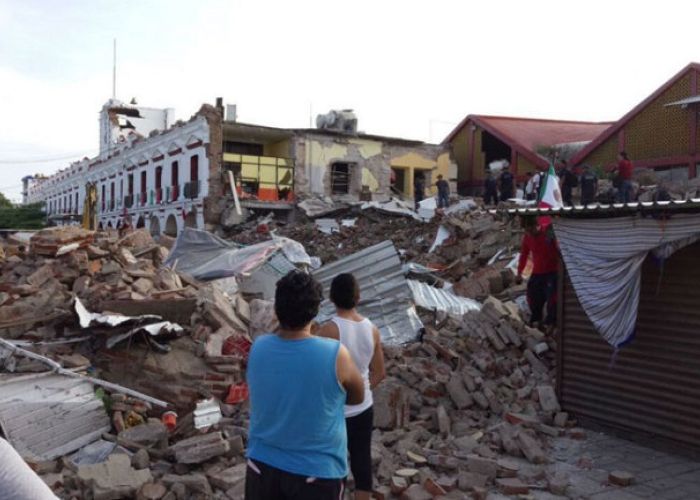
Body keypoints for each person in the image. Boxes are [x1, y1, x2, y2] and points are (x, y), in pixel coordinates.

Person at [245, 270, 365, 500]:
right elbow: (357, 396)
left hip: (262, 467)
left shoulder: (259, 347)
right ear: (316, 310)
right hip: (316, 474)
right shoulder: (334, 354)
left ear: (277, 309)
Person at [317, 274, 386, 500]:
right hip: (363, 407)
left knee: (332, 463)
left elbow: (316, 372)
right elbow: (380, 372)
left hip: (335, 410)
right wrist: (364, 390)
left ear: (332, 298)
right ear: (358, 297)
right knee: (361, 459)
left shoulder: (329, 331)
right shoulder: (372, 329)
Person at [516, 217, 558, 330]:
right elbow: (523, 255)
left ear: (537, 225)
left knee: (552, 299)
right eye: (527, 231)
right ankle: (536, 320)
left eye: (531, 230)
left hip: (552, 272)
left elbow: (560, 251)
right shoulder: (527, 238)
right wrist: (519, 273)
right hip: (537, 273)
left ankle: (551, 323)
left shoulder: (549, 234)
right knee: (533, 296)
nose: (530, 233)